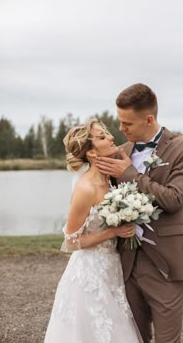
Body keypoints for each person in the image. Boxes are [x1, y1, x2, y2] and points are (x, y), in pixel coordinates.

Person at [95, 83, 183, 343]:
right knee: (133, 338)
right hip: (126, 263)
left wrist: (130, 174)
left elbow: (174, 199)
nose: (120, 129)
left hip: (164, 264)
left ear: (149, 119)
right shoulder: (121, 151)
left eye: (126, 123)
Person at [44, 118, 143, 343]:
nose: (110, 137)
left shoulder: (112, 181)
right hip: (89, 275)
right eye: (101, 137)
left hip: (112, 267)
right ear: (91, 153)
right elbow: (70, 241)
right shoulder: (85, 188)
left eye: (106, 133)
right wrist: (112, 233)